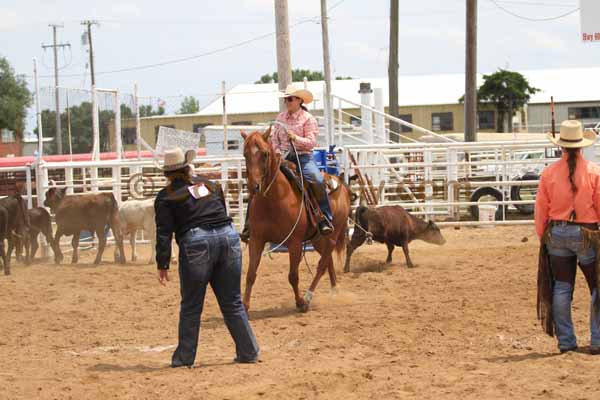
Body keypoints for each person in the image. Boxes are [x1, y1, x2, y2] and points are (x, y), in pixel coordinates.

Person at [155, 147, 259, 367]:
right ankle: (248, 351)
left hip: (196, 242)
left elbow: (164, 232)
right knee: (232, 302)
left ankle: (184, 359)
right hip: (228, 237)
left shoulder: (166, 197)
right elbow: (220, 210)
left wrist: (163, 263)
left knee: (192, 305)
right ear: (187, 167)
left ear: (167, 174)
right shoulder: (209, 185)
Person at [535, 120, 600, 354]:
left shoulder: (549, 173)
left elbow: (541, 208)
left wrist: (543, 235)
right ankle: (598, 340)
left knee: (562, 287)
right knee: (597, 286)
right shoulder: (593, 171)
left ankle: (566, 342)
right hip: (586, 232)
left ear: (561, 146)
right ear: (581, 146)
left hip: (556, 232)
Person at [240, 84, 333, 242]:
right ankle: (250, 224)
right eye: (286, 99)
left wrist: (295, 138)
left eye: (290, 99)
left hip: (303, 157)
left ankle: (324, 217)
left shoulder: (308, 119)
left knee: (316, 179)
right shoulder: (280, 117)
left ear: (299, 100)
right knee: (258, 181)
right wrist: (276, 153)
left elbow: (311, 142)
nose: (287, 102)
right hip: (282, 157)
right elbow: (274, 139)